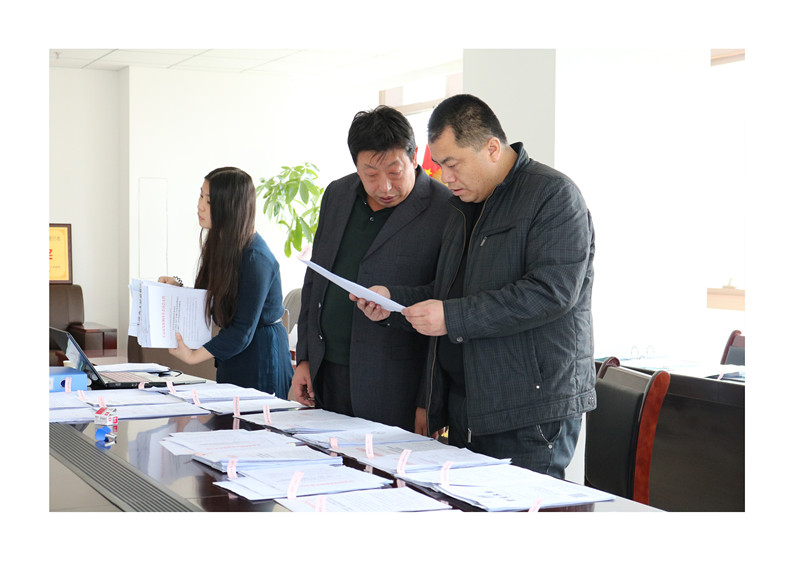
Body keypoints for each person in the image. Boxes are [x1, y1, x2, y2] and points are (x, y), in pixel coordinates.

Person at [354, 94, 596, 478]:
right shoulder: (464, 206)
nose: (445, 177)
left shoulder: (552, 196)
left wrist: (451, 317)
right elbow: (448, 293)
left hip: (528, 411)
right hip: (469, 406)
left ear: (492, 148)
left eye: (452, 164)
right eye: (439, 166)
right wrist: (392, 303)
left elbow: (550, 293)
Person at [291, 106, 452, 433]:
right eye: (371, 175)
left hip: (396, 385)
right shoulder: (337, 194)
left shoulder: (445, 208)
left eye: (395, 172)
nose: (385, 187)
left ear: (414, 157)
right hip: (327, 372)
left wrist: (429, 401)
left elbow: (448, 299)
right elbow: (316, 280)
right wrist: (305, 358)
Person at [161, 166, 293, 398]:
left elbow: (242, 331)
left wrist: (192, 357)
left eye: (209, 201)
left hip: (261, 358)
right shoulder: (222, 242)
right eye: (201, 196)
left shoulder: (256, 258)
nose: (200, 206)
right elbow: (215, 297)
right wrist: (178, 288)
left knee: (253, 420)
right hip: (234, 354)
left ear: (230, 207)